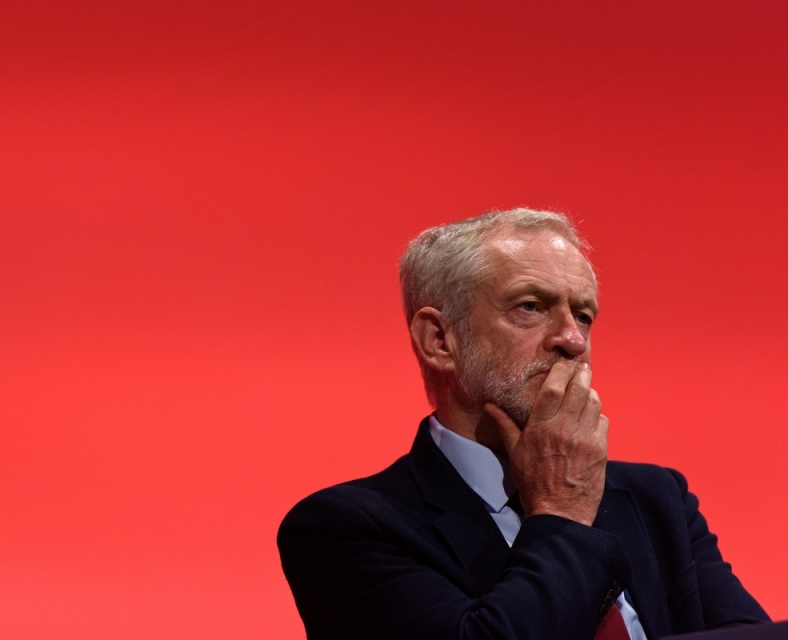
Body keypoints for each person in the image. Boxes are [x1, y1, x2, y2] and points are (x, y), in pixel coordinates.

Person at [277, 209, 769, 640]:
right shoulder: (347, 528)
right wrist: (561, 512)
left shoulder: (658, 499)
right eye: (531, 307)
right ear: (440, 341)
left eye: (583, 315)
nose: (573, 340)